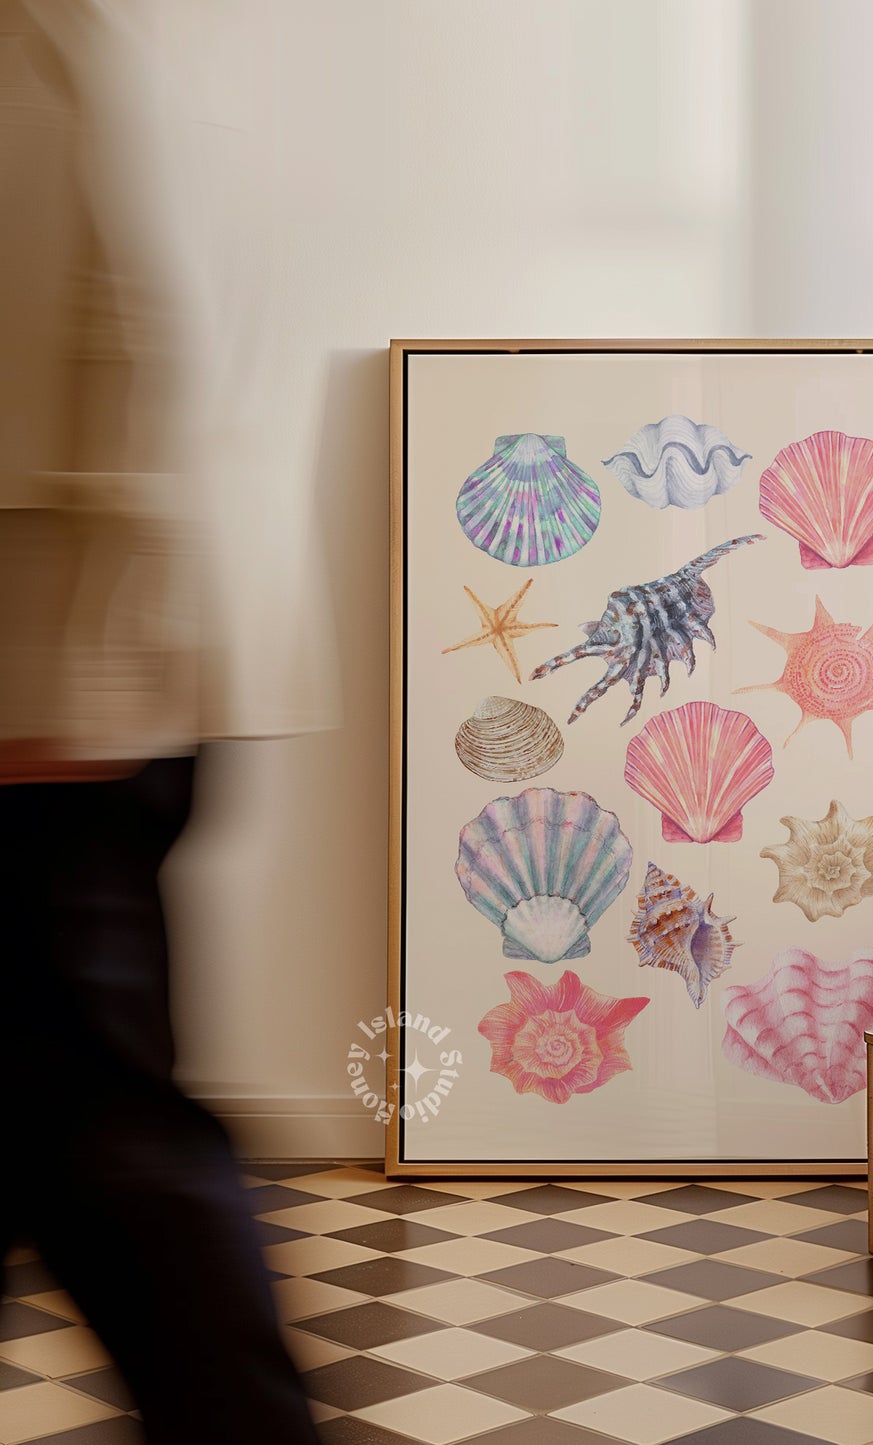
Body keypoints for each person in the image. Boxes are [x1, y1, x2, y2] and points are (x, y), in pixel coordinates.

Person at [1, 4, 331, 1440]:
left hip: (58, 666)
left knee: (106, 1131)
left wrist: (78, 672)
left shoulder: (53, 34)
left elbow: (147, 331)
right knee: (81, 1113)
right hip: (90, 653)